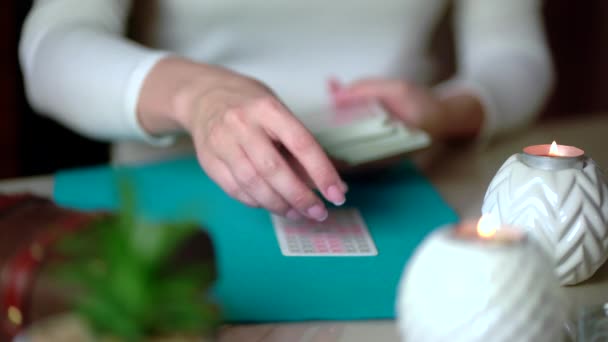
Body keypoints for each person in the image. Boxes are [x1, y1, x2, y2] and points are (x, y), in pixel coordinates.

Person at [19, 0, 554, 221]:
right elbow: (52, 48)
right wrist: (199, 97)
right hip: (170, 196)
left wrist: (443, 109)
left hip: (408, 192)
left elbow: (516, 55)